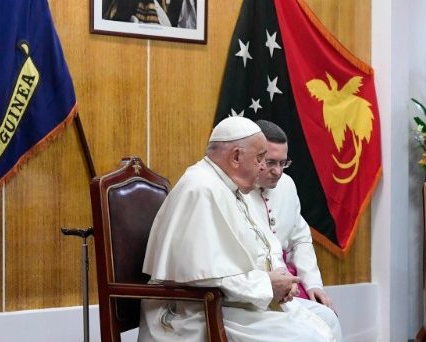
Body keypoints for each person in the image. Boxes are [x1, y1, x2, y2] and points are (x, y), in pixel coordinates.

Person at [138, 116, 341, 342]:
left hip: (227, 301)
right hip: (194, 312)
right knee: (308, 337)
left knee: (327, 319)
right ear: (235, 157)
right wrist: (268, 285)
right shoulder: (202, 189)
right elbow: (206, 276)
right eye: (260, 159)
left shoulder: (227, 187)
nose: (264, 167)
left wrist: (280, 281)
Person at [250, 120, 335, 309]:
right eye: (270, 162)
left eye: (283, 163)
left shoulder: (287, 184)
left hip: (290, 280)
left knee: (325, 312)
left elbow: (300, 239)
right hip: (259, 284)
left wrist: (313, 283)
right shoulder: (237, 189)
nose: (278, 171)